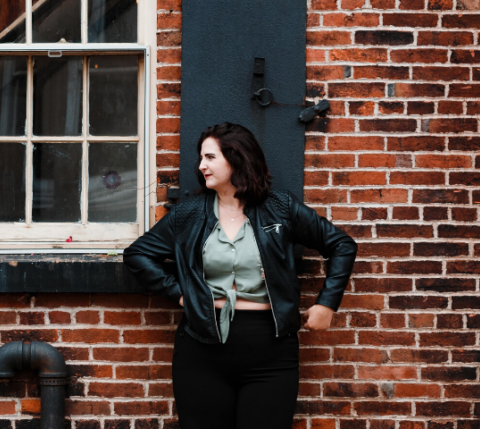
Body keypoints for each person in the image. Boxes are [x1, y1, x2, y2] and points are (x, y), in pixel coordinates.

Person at [123, 122, 357, 429]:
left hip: (271, 352)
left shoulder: (280, 207)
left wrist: (327, 303)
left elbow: (341, 245)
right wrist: (181, 294)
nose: (201, 165)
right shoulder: (189, 214)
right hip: (201, 349)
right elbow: (137, 254)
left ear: (236, 159)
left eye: (210, 157)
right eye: (201, 158)